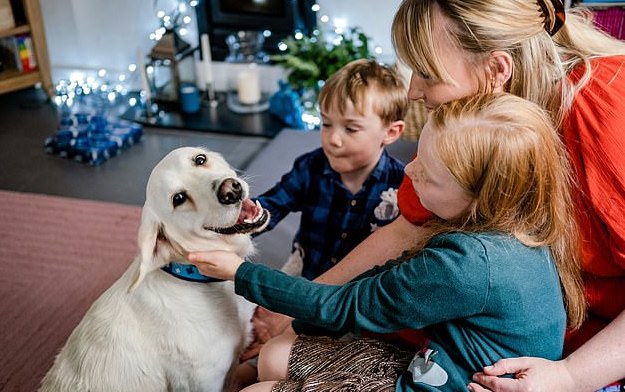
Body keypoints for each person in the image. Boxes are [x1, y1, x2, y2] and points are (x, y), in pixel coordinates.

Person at [250, 0, 625, 389]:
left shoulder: (604, 108)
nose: (413, 91)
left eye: (427, 73)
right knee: (274, 356)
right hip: (459, 334)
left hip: (566, 355)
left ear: (497, 69)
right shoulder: (464, 126)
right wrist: (290, 313)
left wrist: (570, 376)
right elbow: (407, 227)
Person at [189, 93, 587, 391]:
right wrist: (294, 321)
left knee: (261, 385)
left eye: (428, 174)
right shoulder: (514, 225)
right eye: (417, 156)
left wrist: (241, 273)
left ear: (478, 196)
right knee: (275, 355)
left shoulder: (466, 265)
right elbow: (375, 284)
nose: (409, 170)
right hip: (434, 363)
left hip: (430, 381)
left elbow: (345, 307)